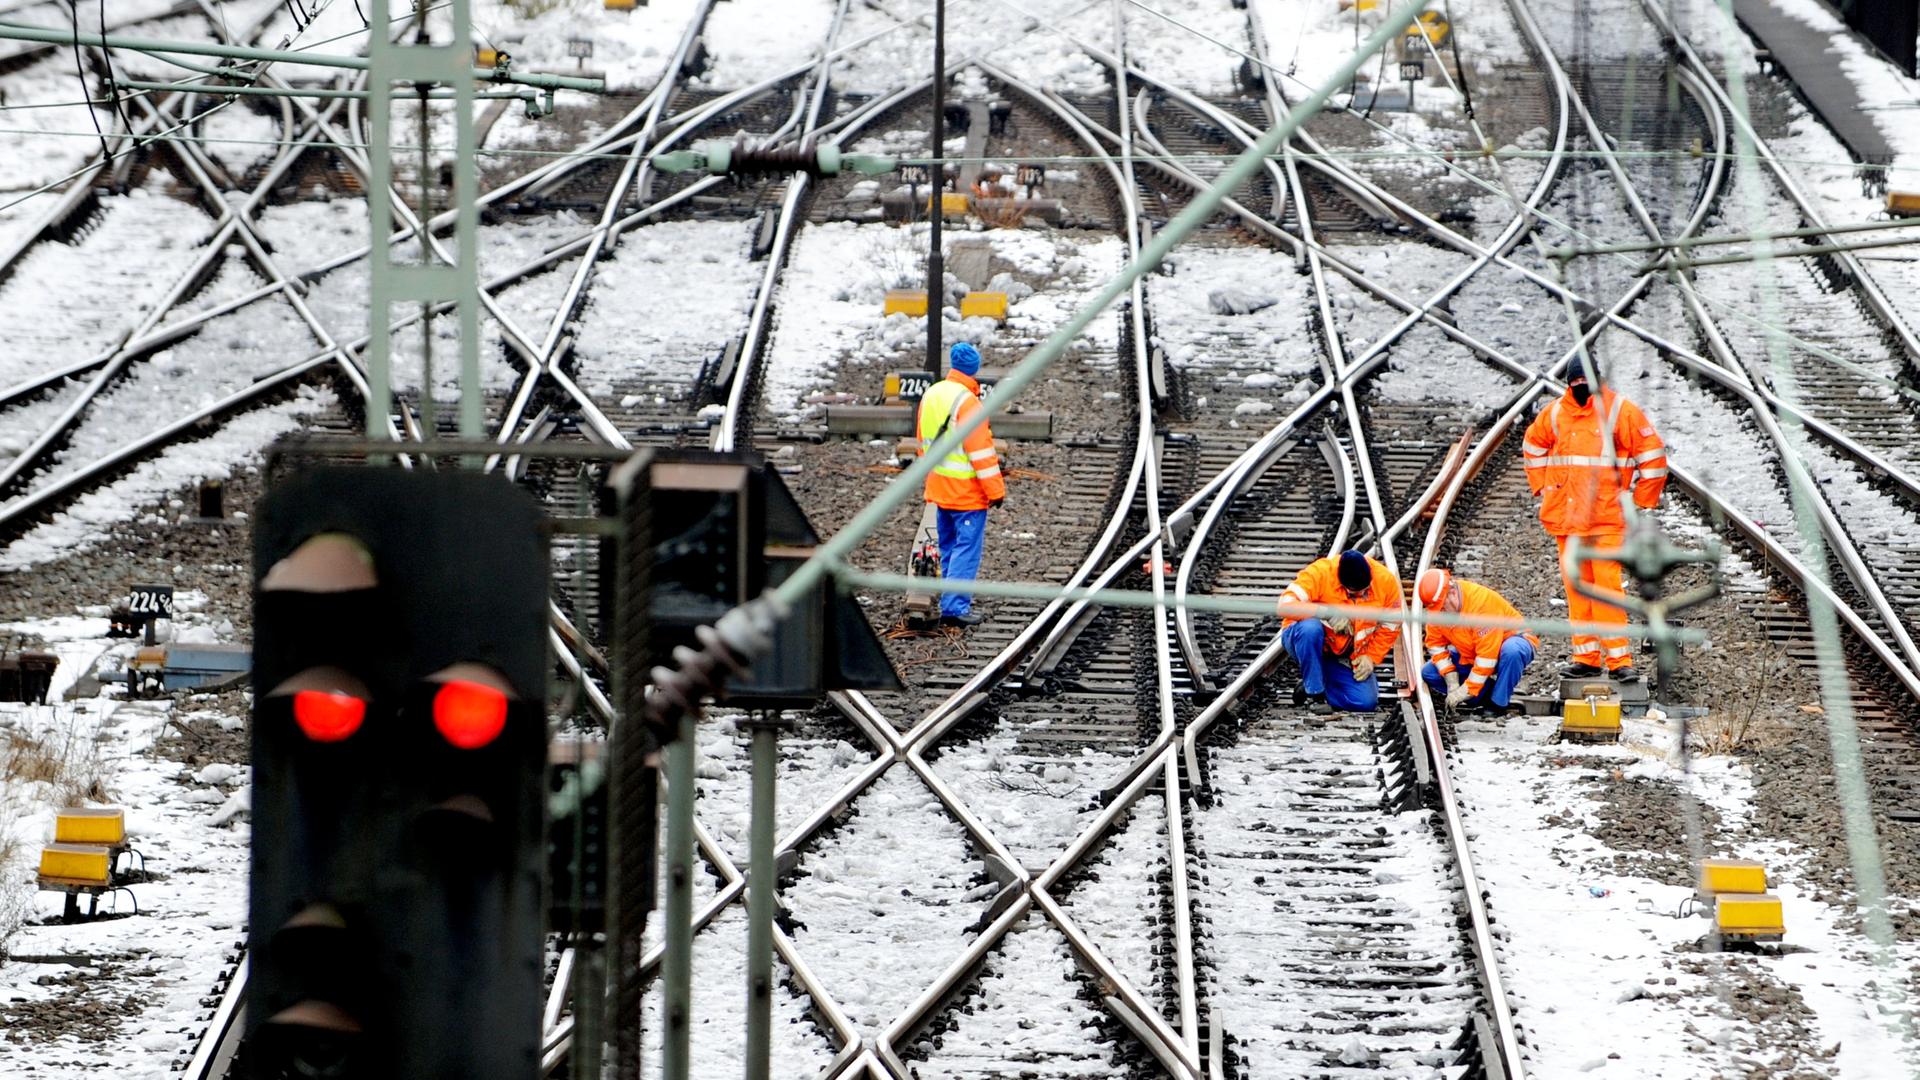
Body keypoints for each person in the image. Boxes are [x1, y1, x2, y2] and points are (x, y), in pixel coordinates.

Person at [1522, 356, 1667, 681]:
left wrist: (1641, 500)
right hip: (1569, 519)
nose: (1580, 389)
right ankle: (1586, 657)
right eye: (1575, 384)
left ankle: (1618, 661)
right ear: (1569, 383)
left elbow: (1653, 456)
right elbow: (1533, 446)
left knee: (1607, 590)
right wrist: (1545, 488)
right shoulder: (1557, 413)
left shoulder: (1619, 412)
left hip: (1606, 520)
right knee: (1578, 590)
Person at [917, 341, 1005, 628]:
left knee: (949, 545)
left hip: (940, 487)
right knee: (966, 549)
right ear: (974, 369)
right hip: (967, 493)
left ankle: (950, 599)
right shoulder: (968, 402)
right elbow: (981, 453)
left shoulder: (932, 393)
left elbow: (922, 442)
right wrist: (996, 491)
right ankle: (954, 607)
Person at [1275, 549, 1402, 713]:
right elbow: (1284, 606)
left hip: (1343, 654)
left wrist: (1371, 657)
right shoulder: (1320, 573)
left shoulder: (1385, 581)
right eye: (1355, 593)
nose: (1361, 595)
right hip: (1303, 639)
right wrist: (1326, 613)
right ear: (1342, 583)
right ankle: (1315, 693)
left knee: (1364, 702)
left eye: (1365, 591)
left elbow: (1391, 625)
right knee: (1310, 629)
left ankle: (1315, 682)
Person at [1414, 568, 1538, 714]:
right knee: (1429, 673)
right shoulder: (1437, 611)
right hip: (1473, 653)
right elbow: (1435, 646)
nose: (1440, 614)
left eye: (1442, 608)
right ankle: (1486, 695)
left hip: (1508, 645)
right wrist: (1451, 680)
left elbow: (1487, 657)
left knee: (1512, 651)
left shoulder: (1481, 604)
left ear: (1452, 593)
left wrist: (1465, 690)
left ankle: (1498, 704)